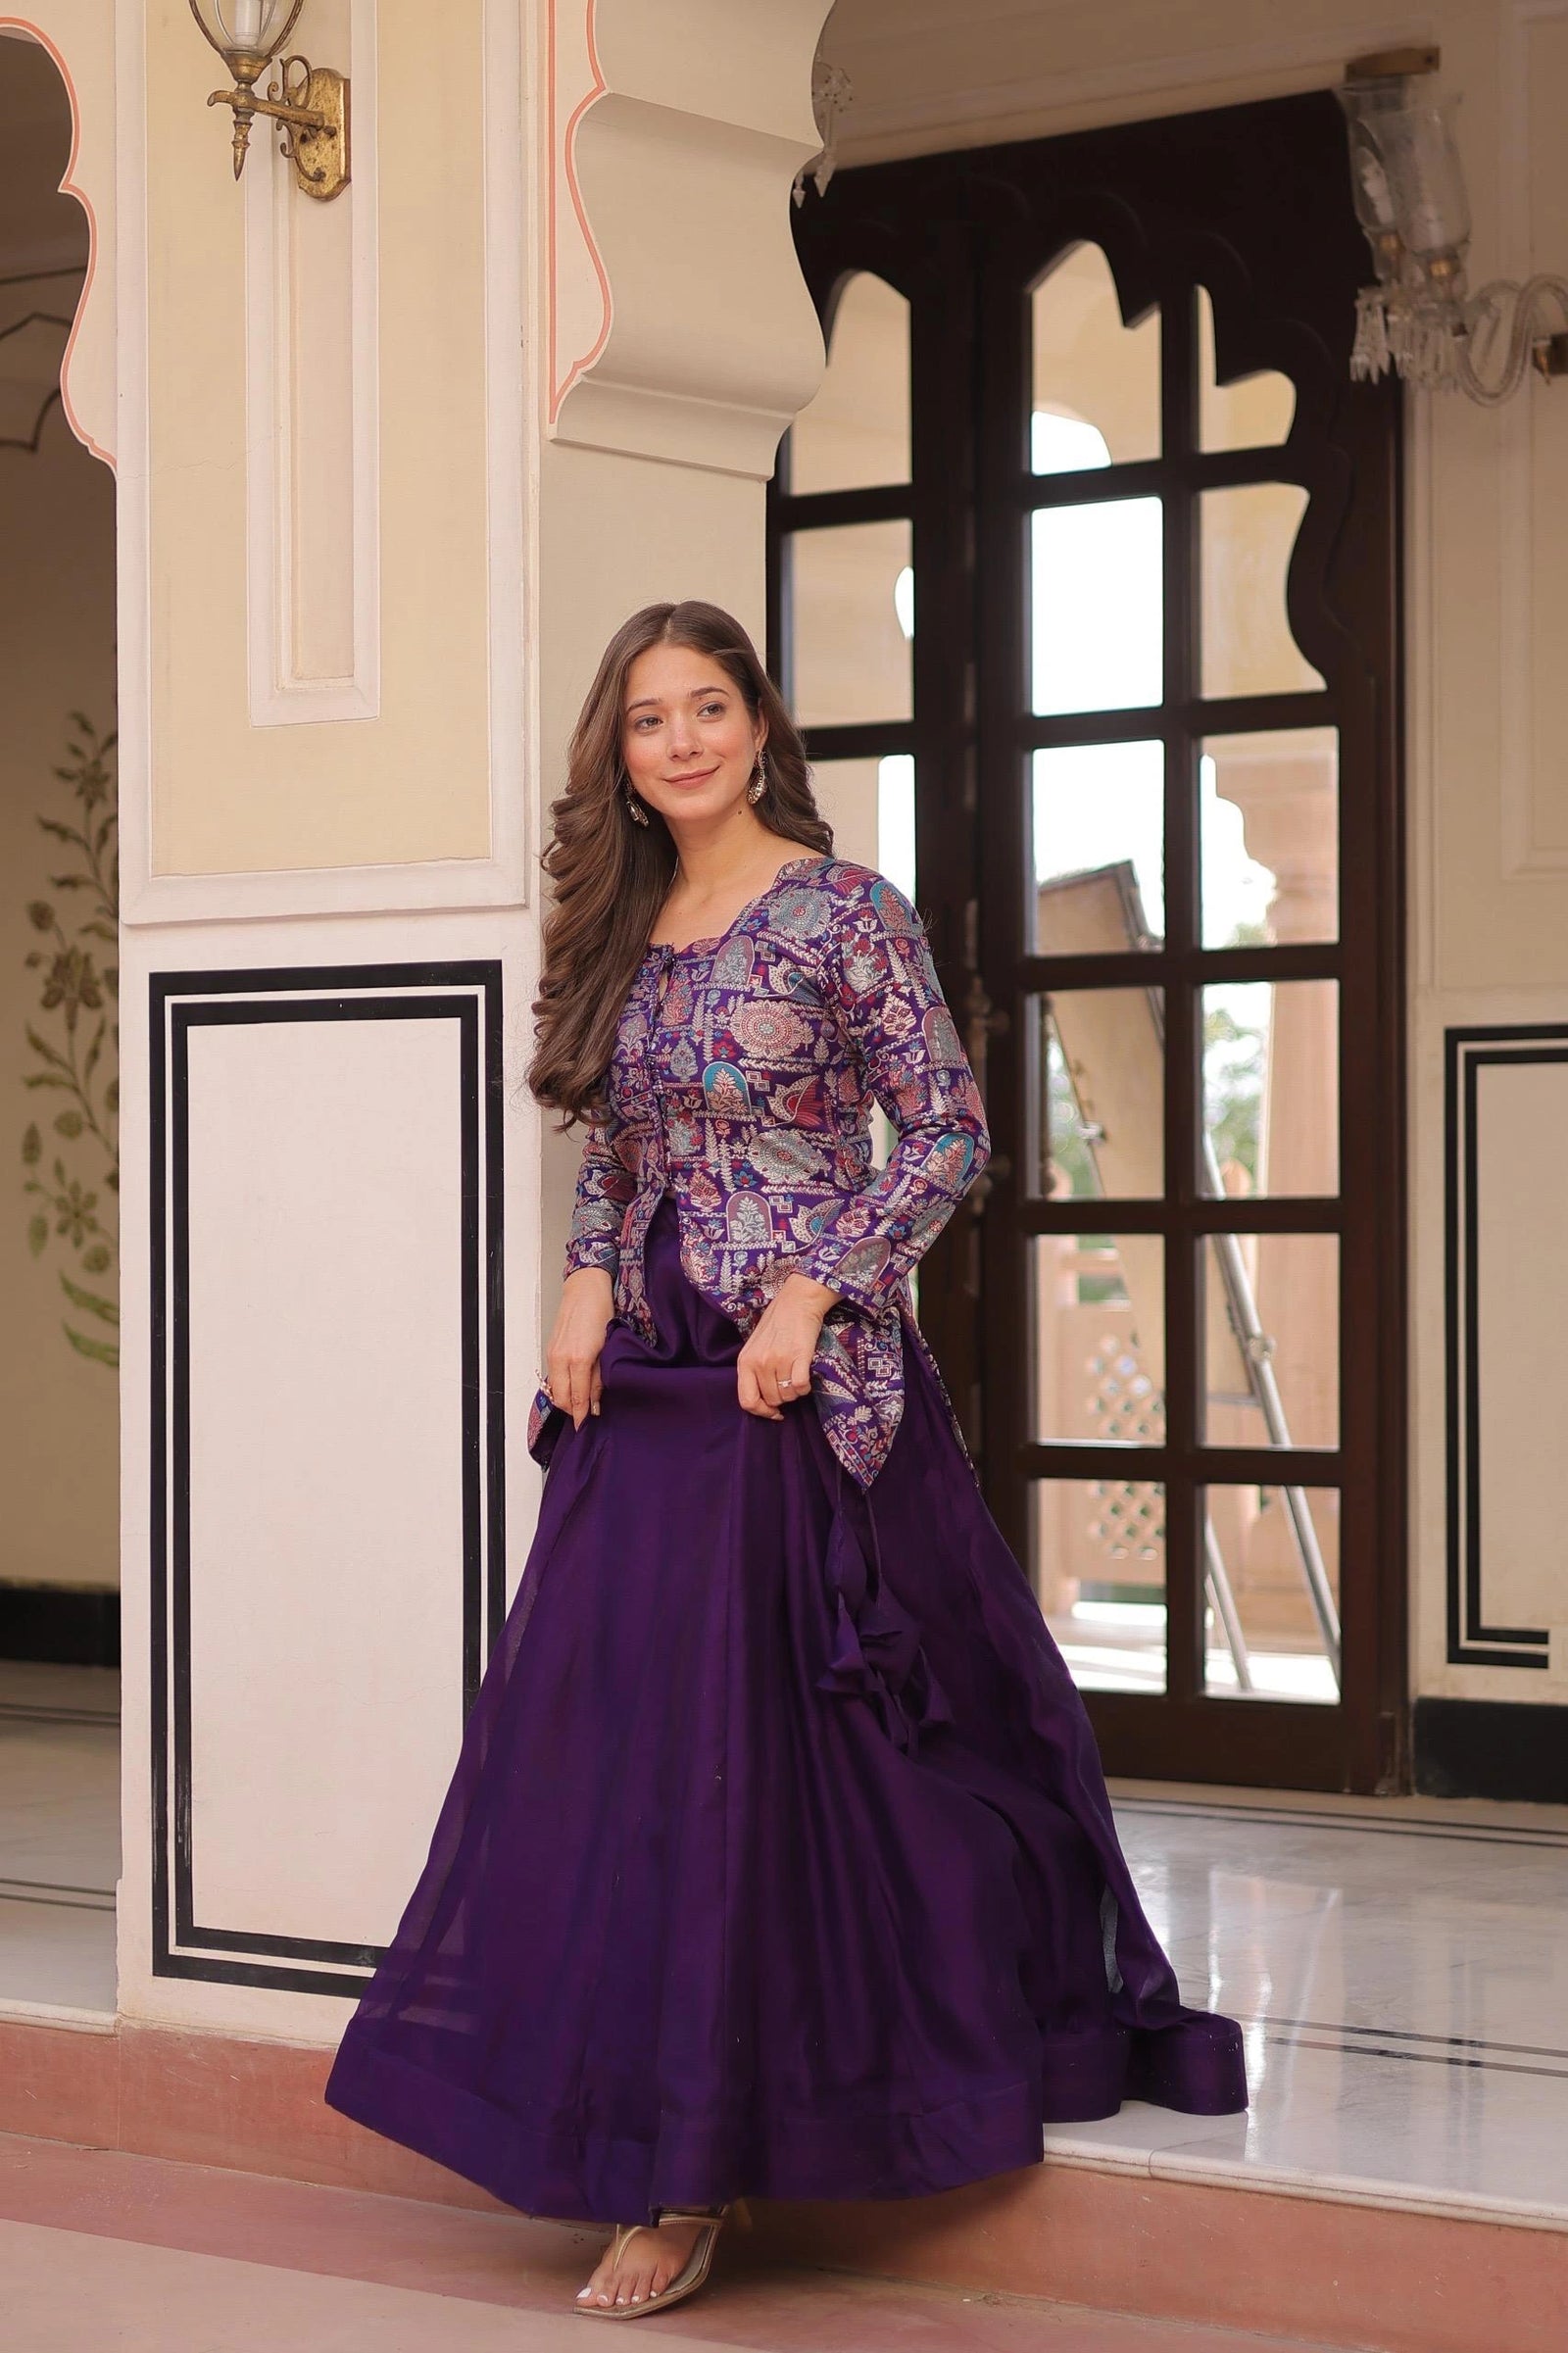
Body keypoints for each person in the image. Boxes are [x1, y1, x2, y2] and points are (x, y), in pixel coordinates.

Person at [324, 600, 1247, 2322]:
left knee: (780, 1763)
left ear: (760, 726)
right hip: (647, 1391)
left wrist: (822, 1287)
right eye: (646, 718)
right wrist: (588, 1273)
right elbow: (619, 1139)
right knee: (626, 1761)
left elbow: (956, 1127)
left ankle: (697, 2173)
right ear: (621, 747)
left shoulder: (841, 910)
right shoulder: (625, 920)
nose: (675, 741)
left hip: (793, 1396)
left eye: (707, 708)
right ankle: (646, 2134)